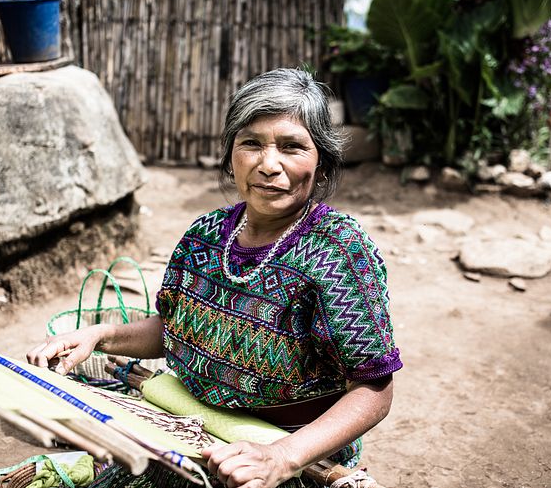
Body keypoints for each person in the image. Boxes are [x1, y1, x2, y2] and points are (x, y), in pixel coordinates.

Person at [27, 68, 403, 488]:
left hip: (288, 456)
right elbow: (174, 329)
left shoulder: (339, 251)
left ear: (322, 161)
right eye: (251, 144)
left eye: (292, 147)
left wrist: (281, 457)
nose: (268, 165)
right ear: (230, 155)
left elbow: (373, 389)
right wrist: (100, 336)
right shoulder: (204, 236)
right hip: (189, 434)